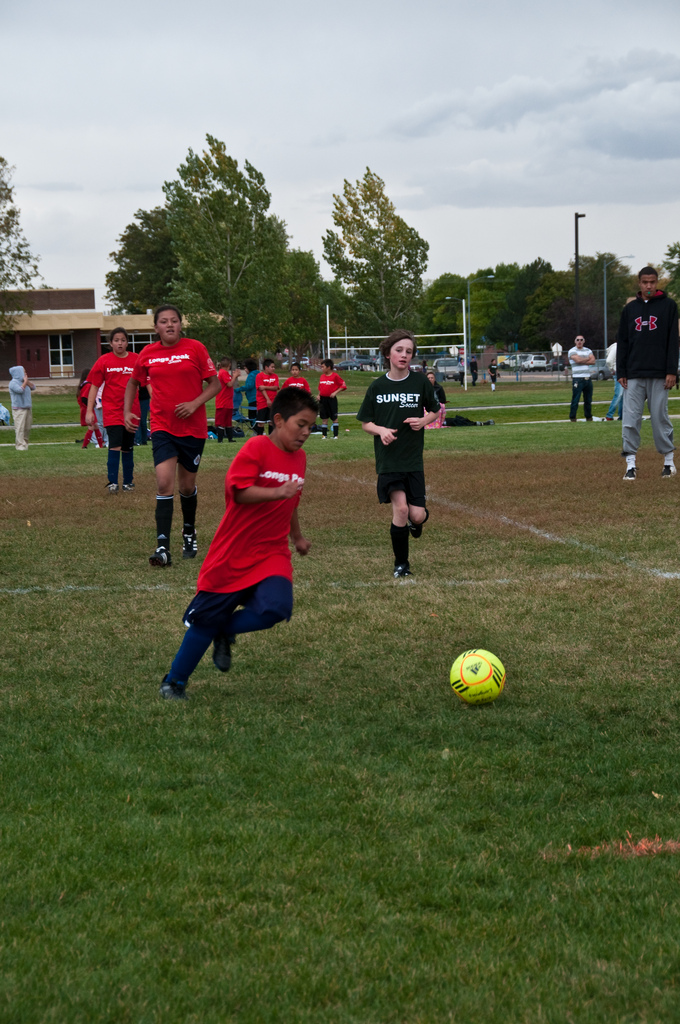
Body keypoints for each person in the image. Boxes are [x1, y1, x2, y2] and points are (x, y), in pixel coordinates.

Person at [159, 388, 319, 700]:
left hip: (272, 550)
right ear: (278, 420)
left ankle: (225, 629)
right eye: (300, 424)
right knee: (205, 621)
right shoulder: (255, 448)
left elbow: (292, 500)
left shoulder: (299, 458)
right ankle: (174, 681)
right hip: (234, 551)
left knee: (276, 608)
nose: (305, 433)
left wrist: (296, 536)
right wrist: (276, 492)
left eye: (310, 427)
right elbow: (240, 492)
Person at [124, 304, 220, 566]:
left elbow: (215, 383)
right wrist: (127, 412)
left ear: (180, 324)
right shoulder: (147, 353)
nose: (169, 325)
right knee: (164, 483)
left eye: (174, 321)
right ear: (156, 327)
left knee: (186, 487)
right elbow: (133, 382)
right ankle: (163, 547)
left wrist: (194, 404)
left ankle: (189, 531)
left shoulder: (195, 348)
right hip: (162, 427)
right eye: (164, 321)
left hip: (193, 429)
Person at [357, 329, 440, 578]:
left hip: (413, 460)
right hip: (389, 460)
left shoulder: (420, 382)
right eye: (399, 350)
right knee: (401, 510)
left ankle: (417, 522)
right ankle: (401, 565)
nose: (404, 355)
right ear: (387, 353)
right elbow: (365, 422)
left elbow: (435, 411)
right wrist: (380, 430)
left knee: (417, 514)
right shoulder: (377, 386)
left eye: (409, 352)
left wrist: (423, 420)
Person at [617, 266, 679, 480]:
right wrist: (621, 371)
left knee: (660, 418)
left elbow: (673, 341)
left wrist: (672, 370)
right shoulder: (630, 309)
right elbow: (623, 342)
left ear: (657, 282)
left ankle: (669, 462)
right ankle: (630, 464)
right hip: (633, 373)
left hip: (660, 374)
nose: (649, 286)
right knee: (630, 420)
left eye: (652, 282)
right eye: (645, 282)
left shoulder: (669, 306)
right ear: (639, 283)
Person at [87, 327, 140, 493]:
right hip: (112, 411)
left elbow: (148, 382)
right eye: (116, 340)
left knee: (128, 446)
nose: (120, 343)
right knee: (115, 445)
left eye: (123, 340)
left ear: (127, 342)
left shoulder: (136, 360)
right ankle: (112, 482)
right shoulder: (104, 361)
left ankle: (128, 482)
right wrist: (90, 410)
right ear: (110, 343)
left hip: (132, 411)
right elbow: (94, 386)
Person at [568, 335, 595, 421]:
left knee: (588, 400)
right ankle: (573, 417)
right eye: (577, 340)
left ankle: (588, 416)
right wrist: (587, 359)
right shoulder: (572, 351)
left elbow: (593, 361)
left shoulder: (588, 350)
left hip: (588, 379)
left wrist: (582, 359)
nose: (579, 341)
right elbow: (577, 360)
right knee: (576, 399)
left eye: (581, 340)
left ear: (584, 341)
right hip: (578, 379)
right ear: (575, 341)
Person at [318, 359, 347, 439]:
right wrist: (319, 395)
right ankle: (324, 435)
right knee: (324, 418)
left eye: (323, 367)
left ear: (329, 367)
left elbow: (343, 386)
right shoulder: (322, 376)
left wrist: (335, 392)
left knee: (334, 417)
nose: (322, 368)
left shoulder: (335, 376)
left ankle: (335, 435)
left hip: (331, 400)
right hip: (323, 400)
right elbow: (321, 388)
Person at [8, 365, 35, 451]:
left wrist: (27, 382)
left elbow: (33, 387)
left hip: (27, 407)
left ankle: (25, 444)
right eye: (24, 372)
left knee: (27, 427)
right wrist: (24, 382)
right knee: (20, 428)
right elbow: (19, 390)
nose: (25, 373)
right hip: (19, 409)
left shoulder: (25, 382)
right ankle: (20, 445)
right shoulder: (13, 383)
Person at [76, 368, 104, 449]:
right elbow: (84, 398)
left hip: (86, 408)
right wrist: (91, 406)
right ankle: (84, 445)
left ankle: (100, 445)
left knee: (96, 427)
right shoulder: (87, 385)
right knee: (92, 427)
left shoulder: (83, 384)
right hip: (87, 409)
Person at [215, 358, 238, 443]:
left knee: (228, 422)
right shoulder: (223, 373)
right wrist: (235, 376)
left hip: (228, 402)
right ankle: (220, 439)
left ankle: (230, 438)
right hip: (222, 402)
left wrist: (233, 376)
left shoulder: (226, 373)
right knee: (221, 422)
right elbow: (229, 384)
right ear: (229, 365)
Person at [255, 358, 280, 435]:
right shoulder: (259, 376)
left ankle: (271, 439)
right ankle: (260, 439)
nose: (273, 369)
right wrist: (268, 399)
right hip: (262, 402)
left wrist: (265, 387)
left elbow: (276, 387)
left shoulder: (275, 376)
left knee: (271, 421)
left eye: (274, 367)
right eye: (272, 367)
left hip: (273, 402)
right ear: (266, 367)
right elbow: (261, 389)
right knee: (261, 422)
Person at [604, 343, 623, 421]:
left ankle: (622, 415)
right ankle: (609, 415)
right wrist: (612, 369)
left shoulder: (623, 346)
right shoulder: (616, 347)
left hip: (623, 372)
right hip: (618, 372)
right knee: (619, 394)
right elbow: (609, 361)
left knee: (623, 395)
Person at [244, 358, 258, 426]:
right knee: (257, 416)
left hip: (253, 399)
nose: (245, 370)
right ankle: (259, 430)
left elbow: (249, 386)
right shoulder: (258, 373)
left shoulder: (251, 375)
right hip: (258, 398)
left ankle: (256, 430)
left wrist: (239, 389)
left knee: (252, 416)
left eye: (245, 368)